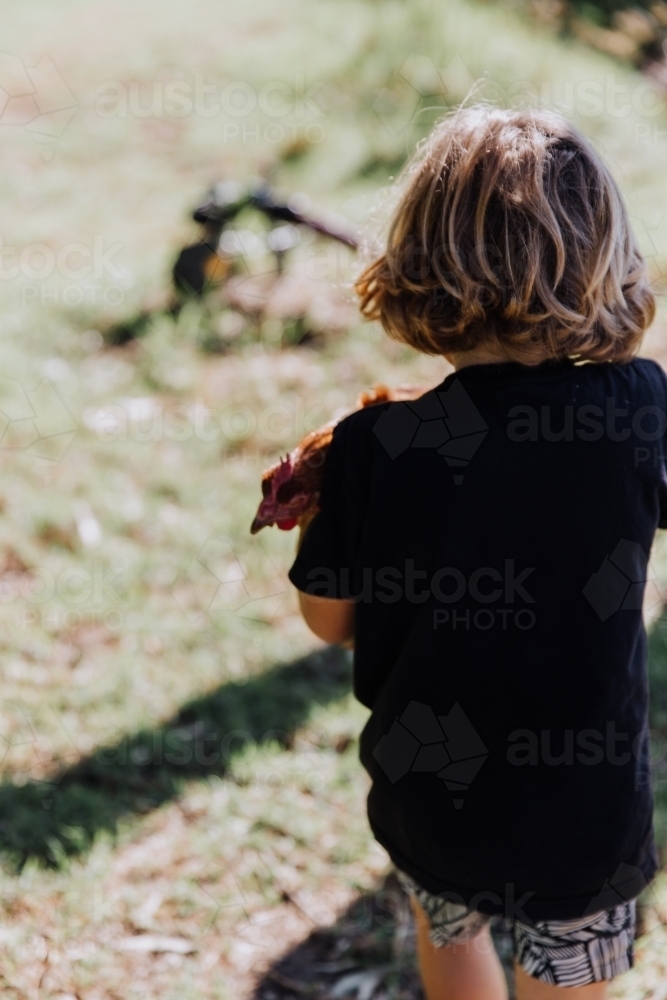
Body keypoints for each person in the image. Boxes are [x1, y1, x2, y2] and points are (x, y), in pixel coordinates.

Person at [288, 105, 663, 998]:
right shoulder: (636, 408)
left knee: (447, 930)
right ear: (600, 262)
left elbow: (327, 624)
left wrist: (323, 494)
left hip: (430, 795)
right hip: (582, 810)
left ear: (416, 267)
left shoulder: (374, 445)